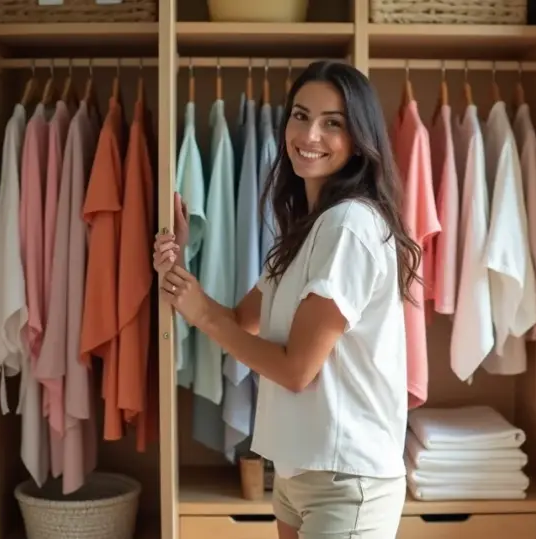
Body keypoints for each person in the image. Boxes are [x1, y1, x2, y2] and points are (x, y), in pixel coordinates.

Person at [152, 60, 421, 539]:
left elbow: (297, 370)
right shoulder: (306, 230)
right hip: (298, 468)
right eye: (300, 115)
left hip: (346, 477)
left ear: (359, 138)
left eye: (332, 123)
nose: (309, 134)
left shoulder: (350, 226)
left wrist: (203, 315)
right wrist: (179, 264)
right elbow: (241, 321)